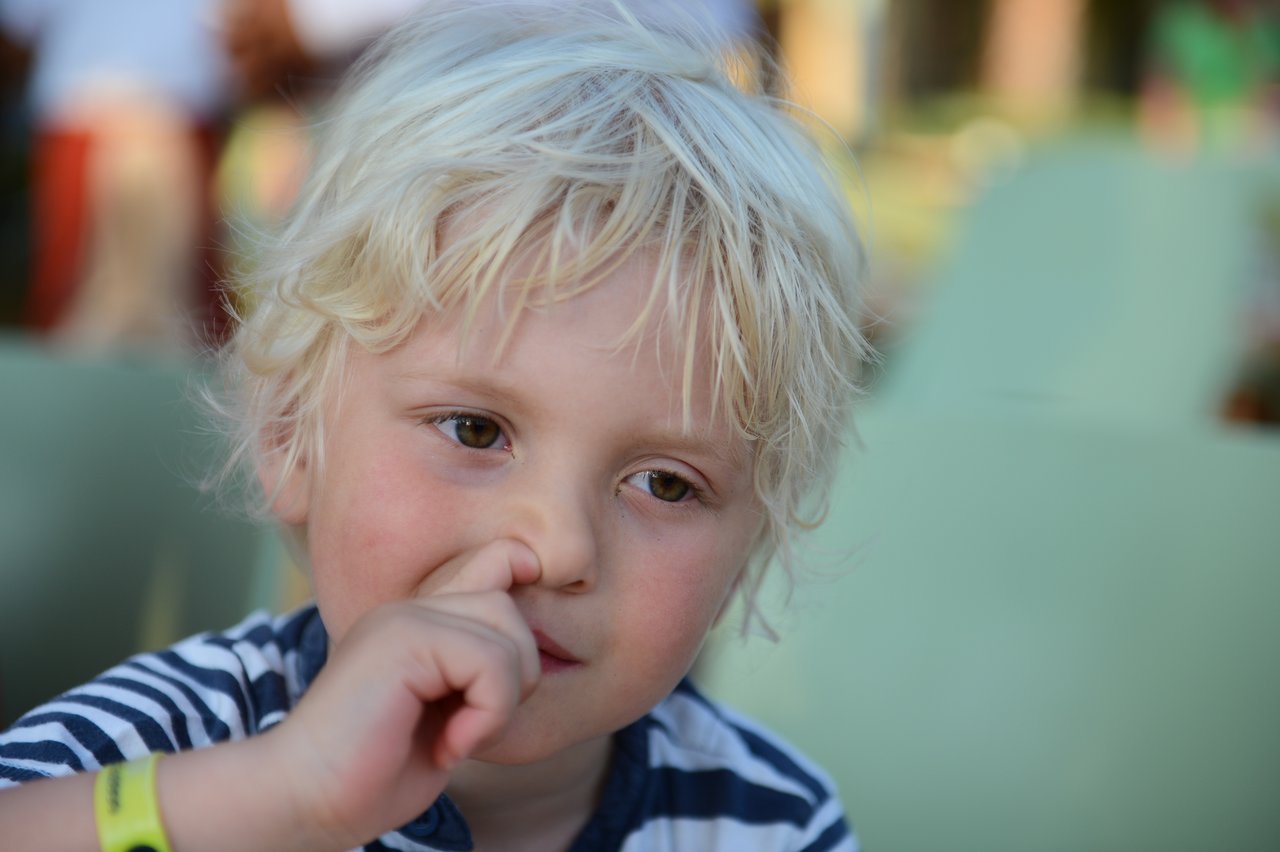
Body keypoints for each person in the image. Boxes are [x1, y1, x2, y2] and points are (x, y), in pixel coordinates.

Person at [0, 3, 870, 849]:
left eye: (666, 483)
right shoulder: (158, 748)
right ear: (293, 433)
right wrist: (283, 801)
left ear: (748, 547)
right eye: (476, 430)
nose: (558, 545)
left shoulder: (770, 819)